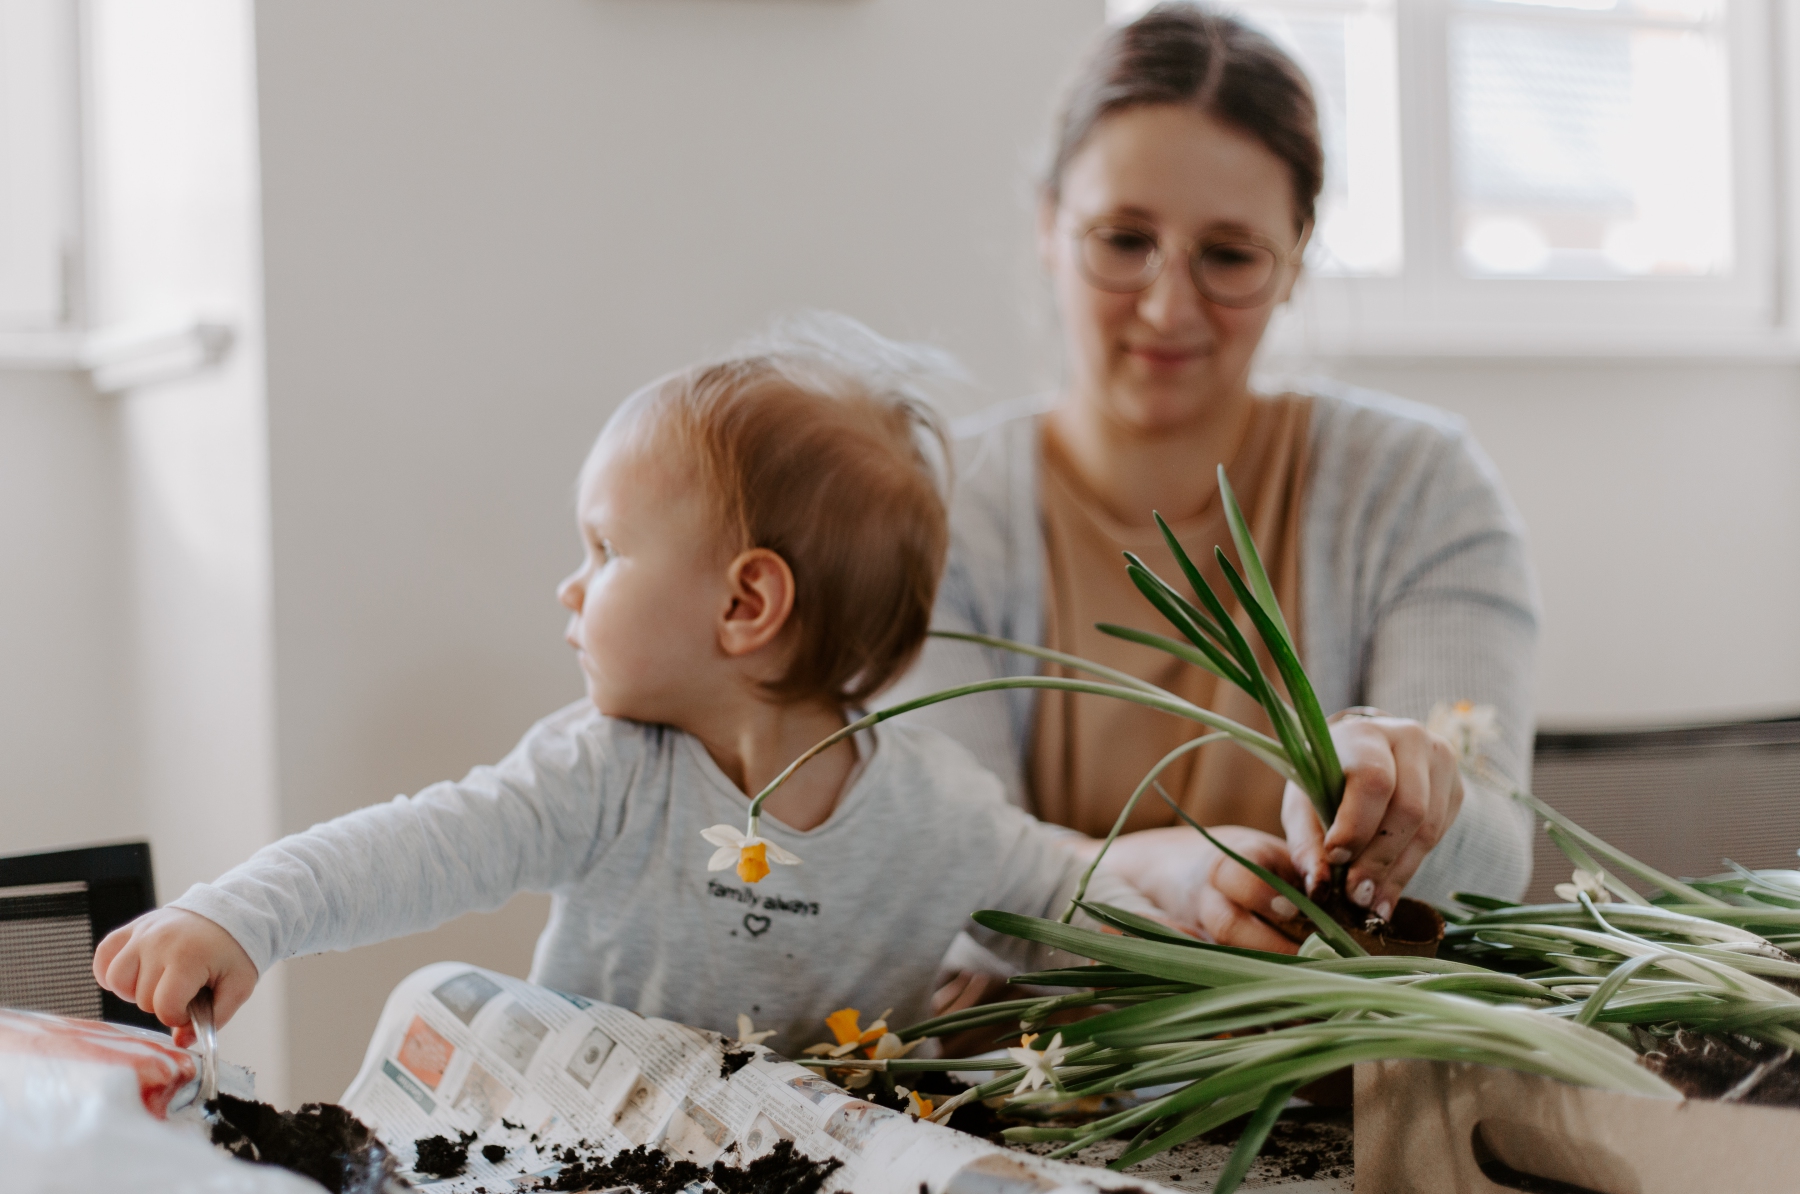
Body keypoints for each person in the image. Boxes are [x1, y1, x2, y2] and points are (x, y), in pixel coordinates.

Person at [92, 317, 1175, 1058]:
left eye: (605, 549)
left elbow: (1070, 905)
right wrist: (242, 915)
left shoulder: (937, 813)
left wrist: (1213, 960)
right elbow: (415, 847)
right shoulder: (600, 774)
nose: (570, 586)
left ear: (746, 603)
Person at [886, 4, 1538, 960]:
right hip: (1033, 1050)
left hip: (1344, 1051)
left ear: (1297, 259)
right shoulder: (932, 510)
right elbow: (939, 865)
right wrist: (1157, 877)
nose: (1167, 306)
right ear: (1048, 226)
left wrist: (1415, 798)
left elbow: (1493, 868)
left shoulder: (1417, 492)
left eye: (1229, 256)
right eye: (1123, 240)